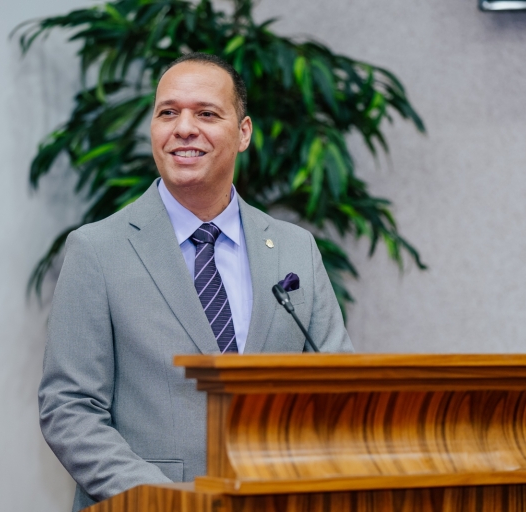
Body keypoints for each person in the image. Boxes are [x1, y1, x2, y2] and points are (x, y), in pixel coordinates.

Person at [38, 53, 354, 512]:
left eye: (206, 113)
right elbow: (69, 408)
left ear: (243, 132)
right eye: (168, 112)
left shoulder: (294, 248)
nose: (184, 128)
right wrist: (163, 500)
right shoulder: (97, 250)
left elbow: (338, 388)